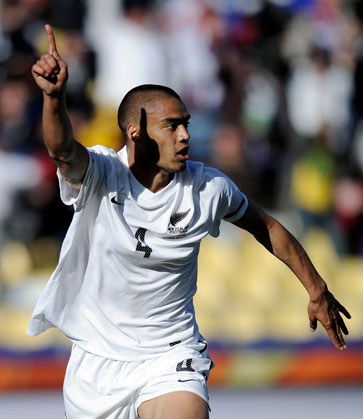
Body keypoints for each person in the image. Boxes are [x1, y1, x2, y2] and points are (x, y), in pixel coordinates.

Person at [28, 25, 351, 419]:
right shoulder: (101, 172)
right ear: (136, 132)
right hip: (98, 364)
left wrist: (316, 288)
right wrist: (53, 97)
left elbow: (266, 227)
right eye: (171, 126)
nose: (184, 136)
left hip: (171, 355)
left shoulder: (209, 188)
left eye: (186, 124)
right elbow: (62, 151)